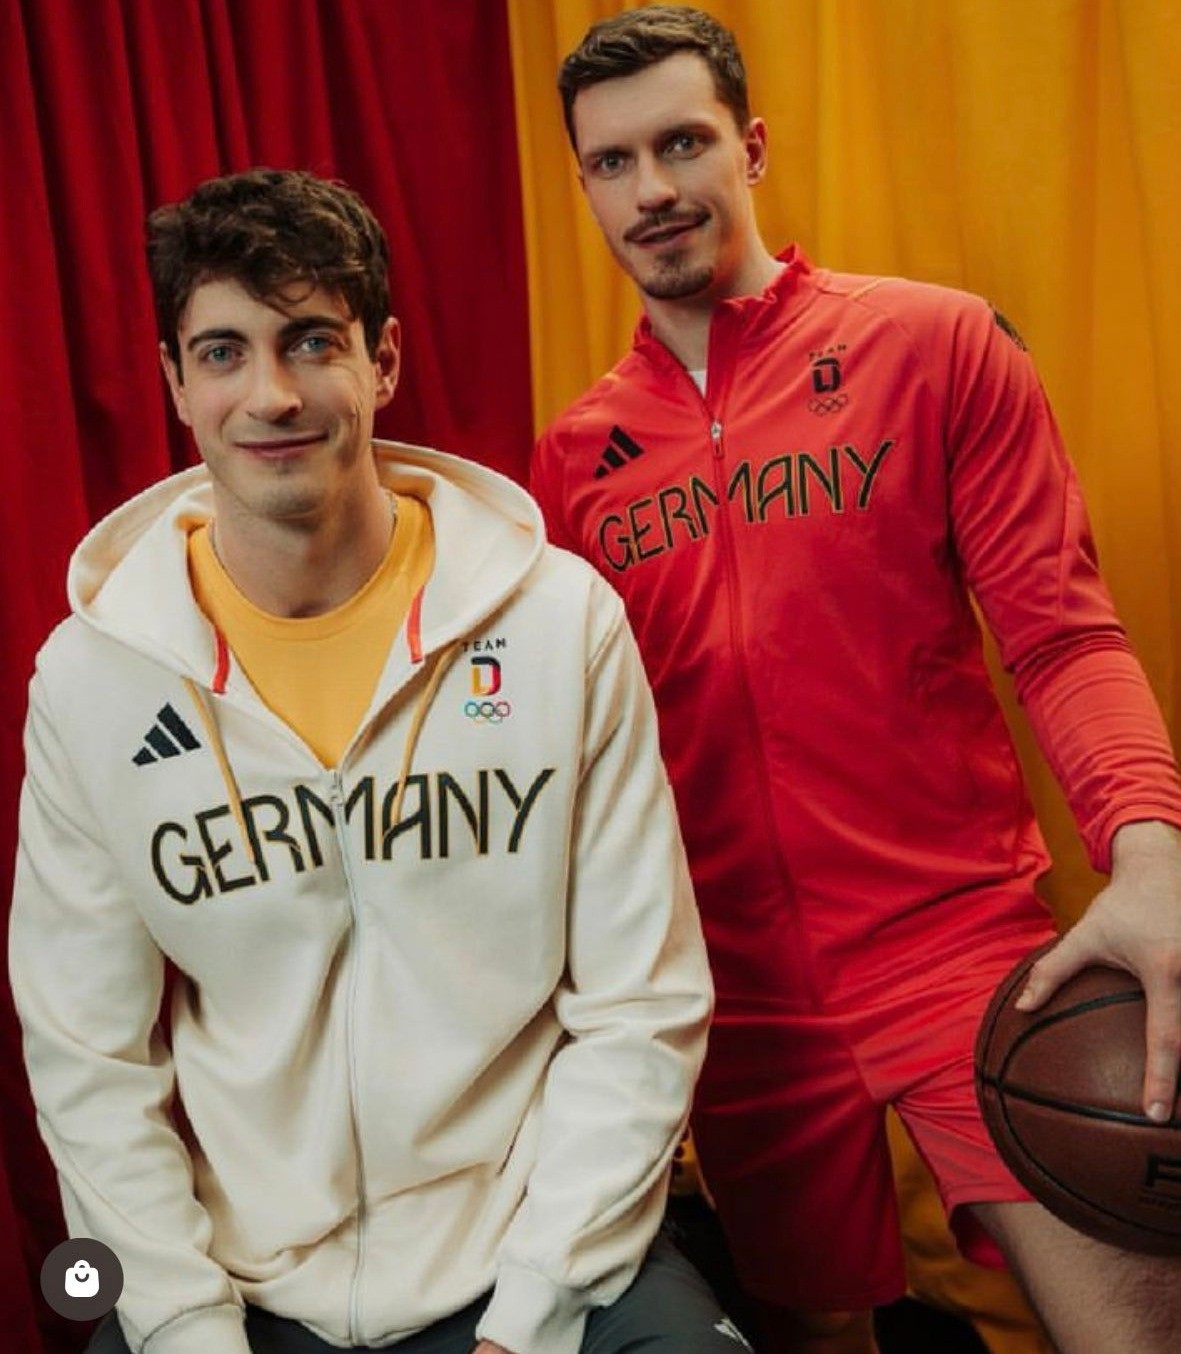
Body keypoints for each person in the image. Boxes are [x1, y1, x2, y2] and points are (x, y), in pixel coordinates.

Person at [8, 167, 750, 1354]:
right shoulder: (92, 681)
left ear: (383, 360)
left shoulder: (558, 625)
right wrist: (189, 1326)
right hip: (240, 1286)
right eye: (223, 353)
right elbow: (89, 1058)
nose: (273, 395)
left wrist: (530, 1315)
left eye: (312, 341)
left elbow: (638, 1006)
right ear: (175, 382)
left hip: (536, 1249)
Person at [531, 8, 1181, 1354]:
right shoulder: (573, 458)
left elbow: (1060, 634)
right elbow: (579, 756)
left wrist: (1150, 853)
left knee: (1130, 1328)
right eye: (611, 163)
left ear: (752, 146)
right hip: (731, 996)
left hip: (953, 945)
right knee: (810, 1334)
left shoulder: (933, 347)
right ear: (582, 185)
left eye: (682, 143)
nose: (650, 191)